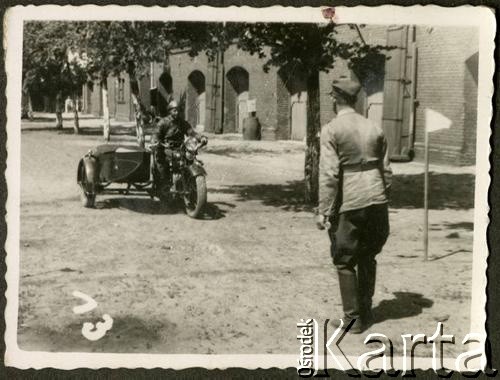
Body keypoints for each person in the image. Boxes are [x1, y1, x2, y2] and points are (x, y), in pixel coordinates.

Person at [316, 77, 392, 334]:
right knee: (368, 254)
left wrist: (323, 210)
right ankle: (366, 311)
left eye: (330, 96)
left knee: (344, 259)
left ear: (336, 99)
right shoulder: (374, 127)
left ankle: (353, 319)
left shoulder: (332, 129)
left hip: (350, 200)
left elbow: (329, 174)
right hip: (377, 198)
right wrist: (382, 196)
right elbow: (387, 171)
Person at [152, 100, 206, 193]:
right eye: (174, 110)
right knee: (162, 162)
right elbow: (156, 134)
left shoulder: (182, 122)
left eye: (178, 110)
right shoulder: (163, 122)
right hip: (166, 147)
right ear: (170, 111)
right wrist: (156, 142)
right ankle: (164, 183)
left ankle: (189, 180)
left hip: (180, 148)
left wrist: (201, 138)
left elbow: (191, 132)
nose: (177, 113)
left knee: (190, 159)